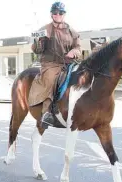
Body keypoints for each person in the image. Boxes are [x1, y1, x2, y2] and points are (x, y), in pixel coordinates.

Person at [29, 1, 82, 129]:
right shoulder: (44, 29)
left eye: (60, 13)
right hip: (50, 64)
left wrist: (73, 52)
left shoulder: (72, 32)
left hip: (68, 63)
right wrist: (38, 41)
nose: (58, 15)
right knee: (51, 79)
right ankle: (46, 112)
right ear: (51, 14)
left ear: (64, 14)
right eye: (55, 13)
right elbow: (36, 49)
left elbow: (79, 48)